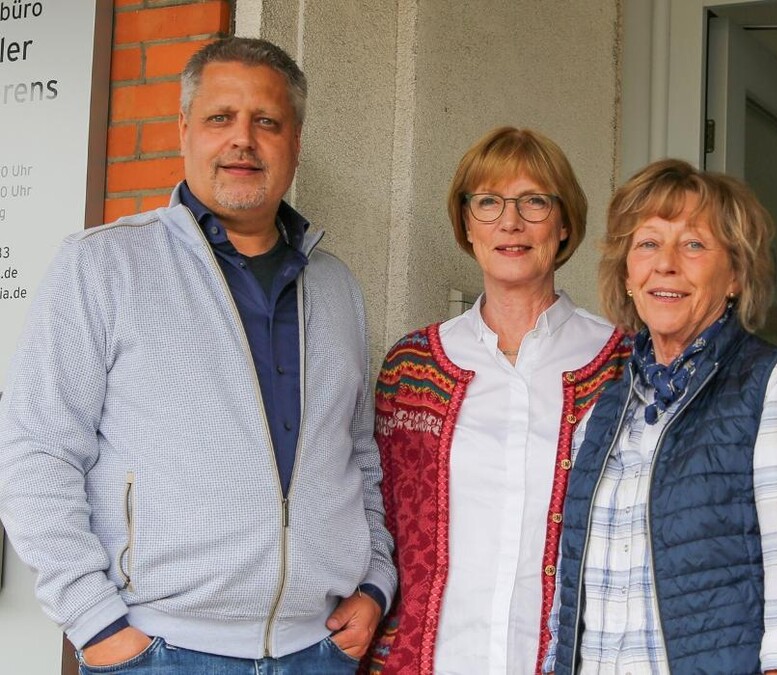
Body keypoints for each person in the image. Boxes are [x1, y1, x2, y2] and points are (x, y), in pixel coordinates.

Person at [0, 37, 396, 672]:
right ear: (184, 128)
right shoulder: (103, 265)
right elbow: (37, 448)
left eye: (266, 121)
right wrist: (95, 624)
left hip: (318, 651)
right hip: (160, 652)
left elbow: (356, 452)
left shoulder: (333, 284)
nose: (244, 139)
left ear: (294, 142)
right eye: (221, 118)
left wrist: (376, 578)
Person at [547, 159, 777, 674]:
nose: (666, 264)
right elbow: (571, 609)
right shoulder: (603, 412)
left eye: (693, 244)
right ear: (627, 274)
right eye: (647, 243)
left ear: (734, 274)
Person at [364, 126, 631, 675]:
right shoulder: (413, 366)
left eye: (534, 201)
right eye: (487, 202)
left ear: (563, 224)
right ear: (467, 223)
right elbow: (375, 514)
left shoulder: (621, 363)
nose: (510, 222)